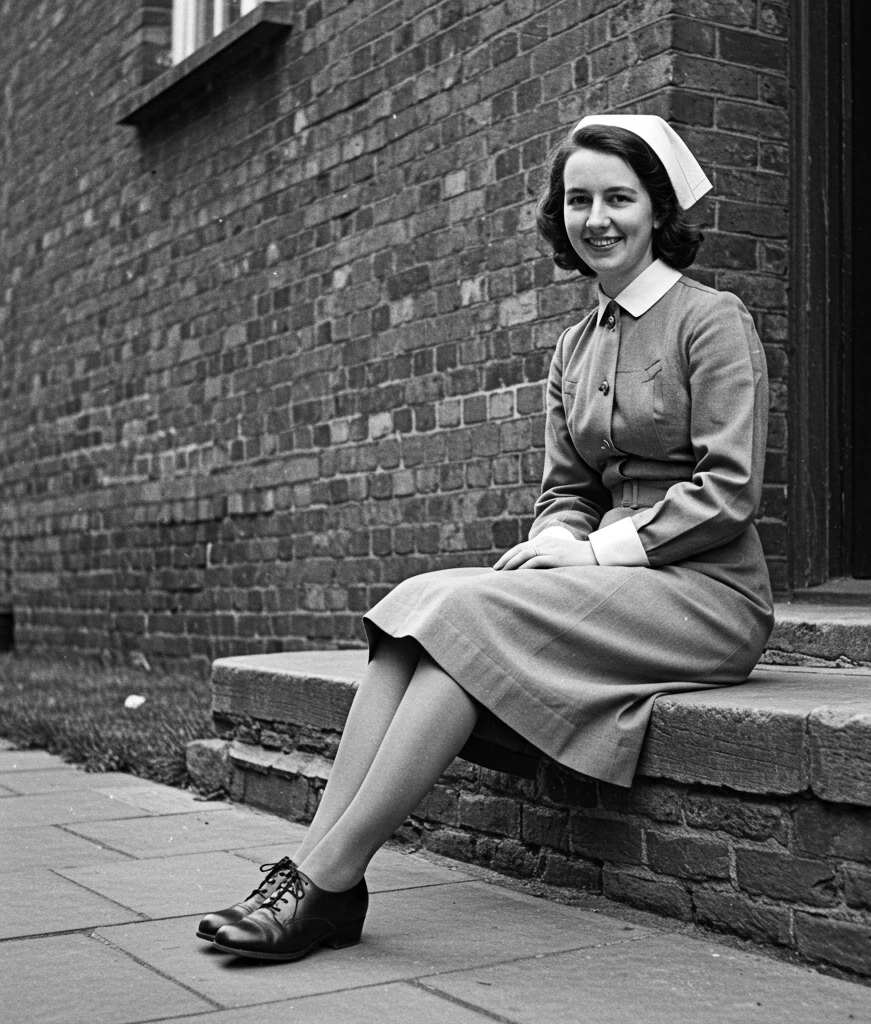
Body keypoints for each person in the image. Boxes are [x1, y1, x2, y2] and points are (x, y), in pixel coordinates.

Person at [197, 113, 775, 962]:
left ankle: (326, 880)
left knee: (463, 622)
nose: (598, 219)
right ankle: (317, 871)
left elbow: (730, 491)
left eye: (619, 198)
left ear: (657, 209)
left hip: (705, 594)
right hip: (602, 584)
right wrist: (555, 541)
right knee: (417, 609)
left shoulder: (711, 319)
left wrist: (588, 553)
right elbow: (566, 490)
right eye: (579, 200)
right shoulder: (575, 346)